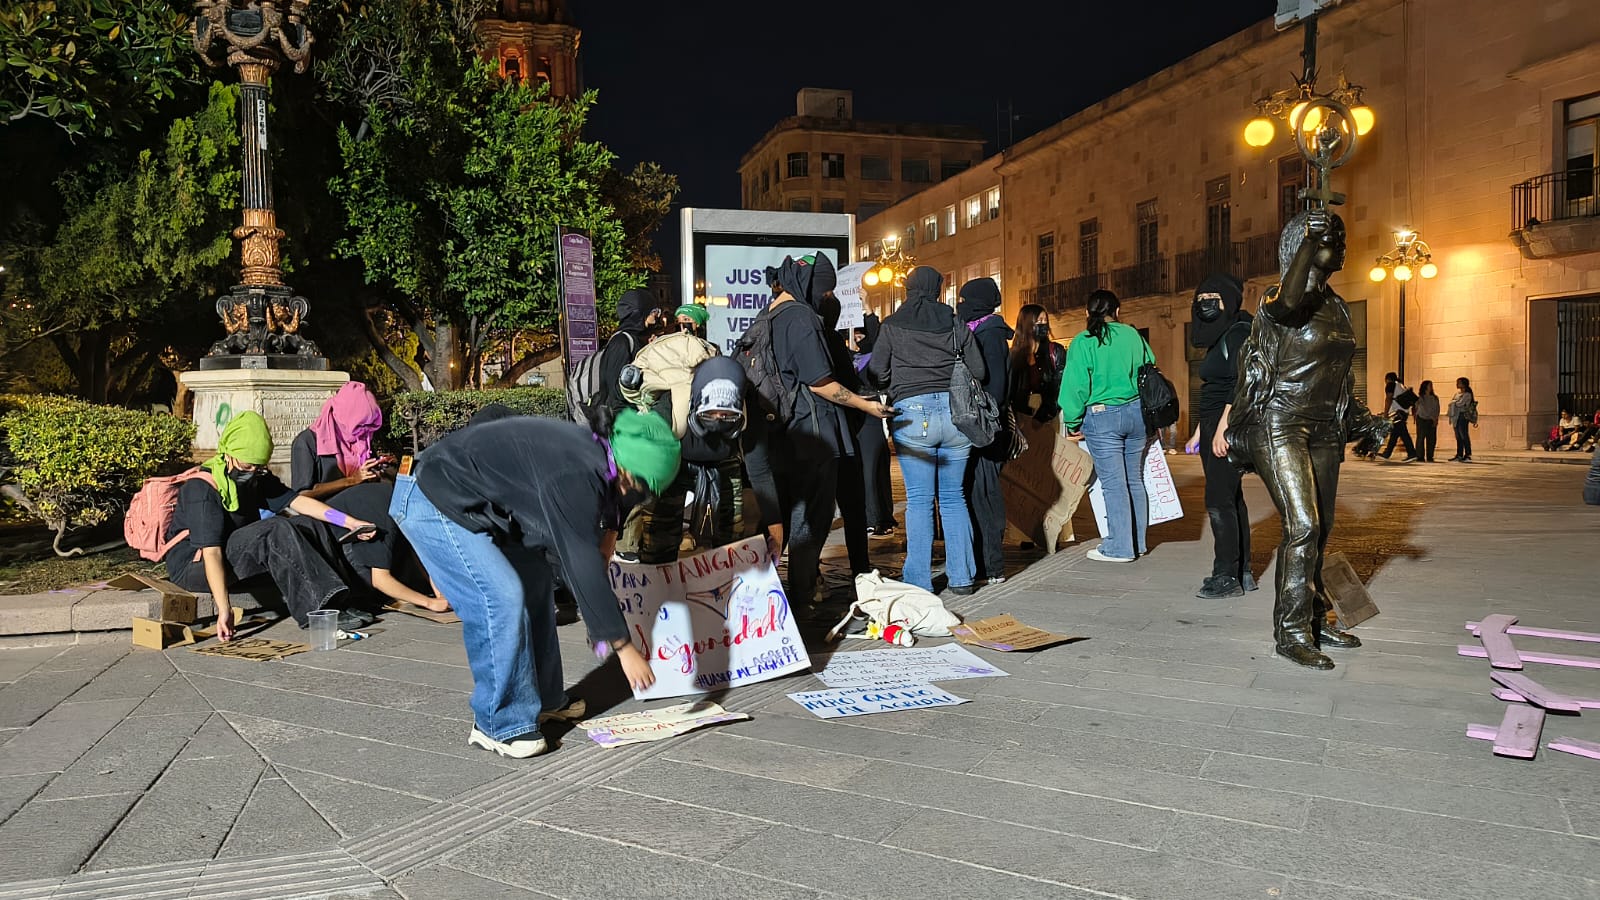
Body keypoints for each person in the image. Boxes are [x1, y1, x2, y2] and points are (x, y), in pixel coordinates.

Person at [389, 408, 677, 759]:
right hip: (433, 499)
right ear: (630, 472)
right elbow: (582, 561)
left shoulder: (594, 457)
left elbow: (575, 553)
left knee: (536, 583)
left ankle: (543, 699)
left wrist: (596, 607)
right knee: (501, 597)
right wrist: (623, 647)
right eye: (642, 488)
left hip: (477, 506)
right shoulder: (578, 472)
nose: (639, 497)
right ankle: (498, 723)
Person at [1219, 209, 1386, 670]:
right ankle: (1290, 632)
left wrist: (1366, 421)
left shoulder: (1336, 306)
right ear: (1305, 245)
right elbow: (1290, 299)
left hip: (1325, 429)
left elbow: (1339, 377)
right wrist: (1310, 243)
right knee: (1304, 525)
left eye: (1339, 235)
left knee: (1324, 527)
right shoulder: (1280, 299)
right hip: (1282, 424)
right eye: (1332, 236)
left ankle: (1314, 618)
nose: (1343, 243)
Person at [162, 412, 381, 641]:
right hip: (194, 566)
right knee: (275, 528)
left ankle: (341, 602)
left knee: (308, 524)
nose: (252, 472)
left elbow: (299, 502)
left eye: (259, 467)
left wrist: (350, 522)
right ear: (229, 454)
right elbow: (212, 553)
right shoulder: (202, 490)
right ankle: (316, 612)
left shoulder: (256, 477)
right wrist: (224, 608)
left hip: (231, 553)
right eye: (247, 465)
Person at [765, 255, 893, 606]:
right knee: (812, 519)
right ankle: (803, 595)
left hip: (783, 432)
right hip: (817, 433)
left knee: (788, 516)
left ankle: (777, 593)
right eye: (825, 291)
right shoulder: (803, 320)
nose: (826, 298)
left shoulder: (770, 315)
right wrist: (867, 405)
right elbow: (821, 381)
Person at [867, 266, 985, 594]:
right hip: (955, 414)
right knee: (954, 496)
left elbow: (877, 371)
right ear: (937, 288)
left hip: (912, 413)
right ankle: (962, 578)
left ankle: (919, 580)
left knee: (919, 500)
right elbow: (978, 369)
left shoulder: (892, 325)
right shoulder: (953, 321)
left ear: (908, 288)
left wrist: (896, 381)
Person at [1059, 289, 1155, 564]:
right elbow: (1149, 368)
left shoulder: (1084, 341)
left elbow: (1075, 386)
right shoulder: (1133, 335)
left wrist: (1073, 421)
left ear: (1088, 314)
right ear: (1118, 311)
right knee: (1134, 479)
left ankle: (1120, 547)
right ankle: (1137, 542)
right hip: (1137, 414)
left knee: (1113, 483)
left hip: (1103, 417)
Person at [1184, 273, 1255, 598]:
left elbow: (1241, 382)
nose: (1205, 303)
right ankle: (1242, 571)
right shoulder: (1222, 334)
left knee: (1218, 500)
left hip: (1228, 423)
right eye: (1200, 298)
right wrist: (1201, 430)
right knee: (1231, 498)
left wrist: (1224, 426)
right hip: (1215, 422)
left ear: (1229, 299)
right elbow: (1214, 387)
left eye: (1212, 296)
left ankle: (1226, 575)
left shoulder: (1239, 331)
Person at [958, 277, 1013, 585]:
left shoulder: (989, 334)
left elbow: (995, 388)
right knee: (973, 493)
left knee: (985, 495)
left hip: (986, 429)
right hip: (978, 427)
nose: (960, 306)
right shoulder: (979, 329)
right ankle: (979, 561)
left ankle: (991, 565)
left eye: (964, 300)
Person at [290, 382, 386, 500]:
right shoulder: (307, 442)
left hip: (360, 506)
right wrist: (351, 480)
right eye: (359, 425)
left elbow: (366, 479)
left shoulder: (362, 439)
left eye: (370, 426)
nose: (365, 431)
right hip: (326, 515)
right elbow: (302, 495)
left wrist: (378, 472)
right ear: (344, 416)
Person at [851, 314, 897, 537]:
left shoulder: (874, 356)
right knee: (868, 470)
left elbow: (875, 335)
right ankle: (878, 516)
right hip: (858, 416)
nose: (857, 338)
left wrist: (868, 308)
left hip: (872, 416)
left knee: (872, 470)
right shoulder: (854, 357)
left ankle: (876, 518)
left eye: (861, 333)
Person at [596, 289, 660, 414]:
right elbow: (616, 389)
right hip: (622, 417)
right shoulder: (621, 342)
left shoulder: (635, 340)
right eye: (654, 311)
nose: (657, 316)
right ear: (640, 312)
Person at [1009, 304, 1065, 422]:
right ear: (1027, 324)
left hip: (1048, 418)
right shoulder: (1013, 355)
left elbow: (1059, 386)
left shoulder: (1055, 351)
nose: (1043, 324)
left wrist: (1047, 410)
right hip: (1021, 418)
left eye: (1045, 321)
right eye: (1039, 321)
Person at [1377, 372, 1419, 462]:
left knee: (1403, 434)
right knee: (1395, 434)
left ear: (1388, 379)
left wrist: (1385, 413)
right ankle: (1387, 453)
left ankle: (1412, 453)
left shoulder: (1391, 385)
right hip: (1404, 412)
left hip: (1397, 413)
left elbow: (1388, 399)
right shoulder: (1401, 385)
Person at [1447, 377, 1476, 462]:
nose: (1457, 384)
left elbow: (1460, 404)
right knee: (1458, 436)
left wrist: (1453, 402)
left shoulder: (1467, 394)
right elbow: (1456, 403)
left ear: (1464, 384)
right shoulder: (1457, 394)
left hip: (1462, 416)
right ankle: (1459, 454)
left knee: (1464, 435)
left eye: (1459, 382)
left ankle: (1467, 454)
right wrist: (1454, 402)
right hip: (1456, 416)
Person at [1413, 380, 1441, 462]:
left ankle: (1430, 456)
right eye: (1429, 385)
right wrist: (1430, 417)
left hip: (1432, 420)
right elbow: (1422, 410)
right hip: (1422, 419)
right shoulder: (1420, 398)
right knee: (1421, 438)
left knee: (1432, 439)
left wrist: (1435, 418)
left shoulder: (1435, 398)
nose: (1431, 387)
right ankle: (1420, 456)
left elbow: (1437, 409)